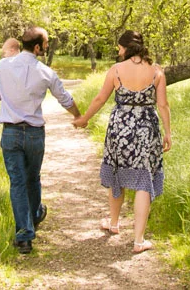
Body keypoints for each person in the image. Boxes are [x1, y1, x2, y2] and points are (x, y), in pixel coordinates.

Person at [73, 30, 171, 254]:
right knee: (144, 180)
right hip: (147, 128)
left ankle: (115, 223)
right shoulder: (157, 72)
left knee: (117, 172)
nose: (118, 51)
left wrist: (84, 119)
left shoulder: (116, 70)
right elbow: (163, 105)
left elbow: (100, 98)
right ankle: (138, 241)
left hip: (120, 128)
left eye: (119, 47)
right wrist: (168, 132)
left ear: (127, 47)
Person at [0, 26, 81, 254]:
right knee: (32, 178)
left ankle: (24, 235)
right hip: (33, 134)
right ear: (37, 47)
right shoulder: (46, 72)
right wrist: (79, 116)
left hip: (10, 132)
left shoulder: (2, 66)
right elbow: (64, 98)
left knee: (18, 182)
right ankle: (34, 216)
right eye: (46, 43)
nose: (48, 46)